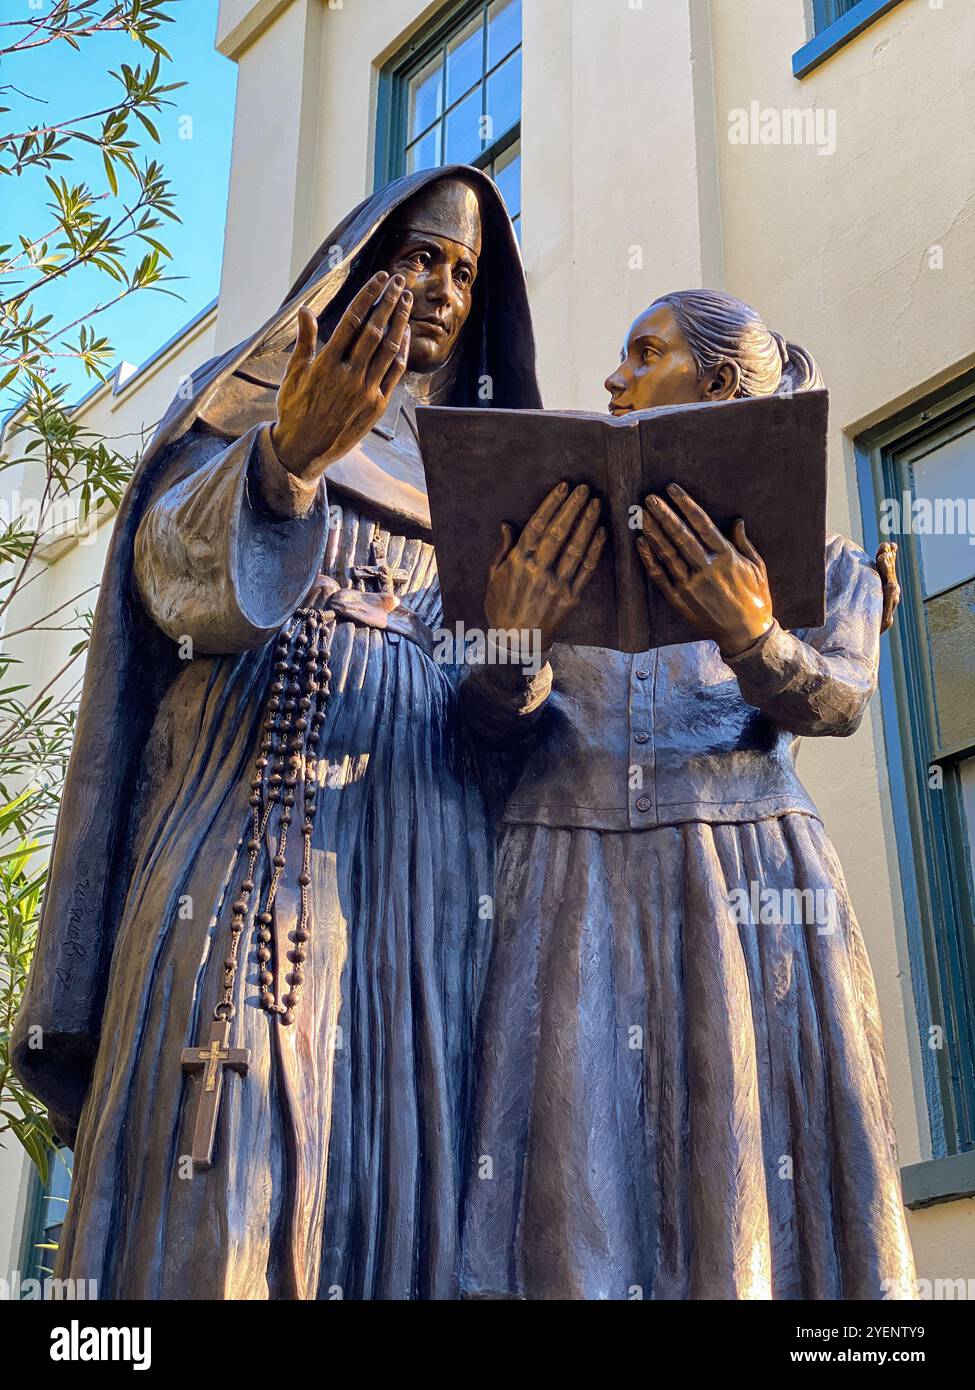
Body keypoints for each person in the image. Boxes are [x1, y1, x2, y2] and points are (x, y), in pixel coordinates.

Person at [12, 166, 541, 1300]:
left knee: (402, 1152)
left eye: (467, 271)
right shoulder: (249, 401)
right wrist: (288, 460)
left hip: (421, 854)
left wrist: (523, 646)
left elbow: (501, 716)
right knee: (225, 1141)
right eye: (421, 256)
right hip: (242, 818)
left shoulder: (479, 471)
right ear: (362, 261)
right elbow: (169, 577)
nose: (446, 288)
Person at [461, 289, 916, 1300]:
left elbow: (836, 702)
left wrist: (754, 633)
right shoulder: (551, 560)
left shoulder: (827, 565)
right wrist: (512, 637)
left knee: (739, 1169)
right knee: (571, 1182)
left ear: (715, 382)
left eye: (643, 353)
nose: (613, 378)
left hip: (743, 871)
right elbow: (482, 731)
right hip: (567, 873)